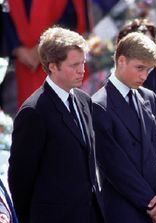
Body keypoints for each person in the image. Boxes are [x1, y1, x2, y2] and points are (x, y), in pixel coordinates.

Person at [8, 27, 104, 223]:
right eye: (74, 65)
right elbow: (20, 179)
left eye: (83, 63)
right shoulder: (34, 112)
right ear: (52, 66)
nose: (82, 70)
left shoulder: (84, 101)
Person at [92, 32, 156, 223]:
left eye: (148, 70)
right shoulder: (99, 105)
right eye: (139, 68)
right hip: (125, 211)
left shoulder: (149, 97)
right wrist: (152, 204)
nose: (144, 76)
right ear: (121, 60)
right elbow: (115, 167)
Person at [3, 0, 90, 108]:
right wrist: (17, 48)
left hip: (61, 60)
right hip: (25, 67)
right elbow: (5, 16)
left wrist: (44, 47)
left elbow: (71, 16)